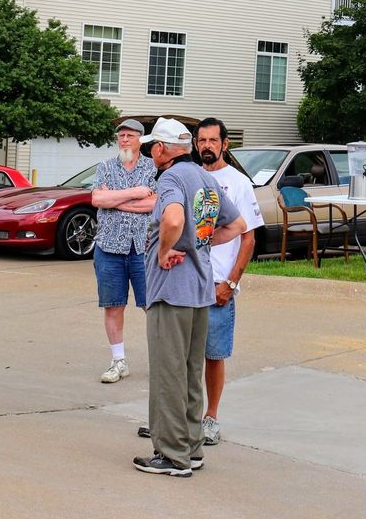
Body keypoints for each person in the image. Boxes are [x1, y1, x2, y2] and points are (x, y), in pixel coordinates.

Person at [133, 117, 245, 477]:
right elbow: (237, 225)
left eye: (153, 146)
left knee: (168, 374)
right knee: (190, 373)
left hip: (172, 292)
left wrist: (167, 249)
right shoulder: (205, 178)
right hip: (199, 293)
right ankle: (192, 448)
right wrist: (201, 243)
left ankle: (172, 455)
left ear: (162, 149)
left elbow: (173, 219)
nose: (151, 152)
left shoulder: (171, 179)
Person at [194, 117, 263, 447]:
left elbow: (248, 239)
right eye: (201, 140)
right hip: (186, 282)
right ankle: (179, 415)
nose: (207, 145)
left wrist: (231, 283)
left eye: (212, 140)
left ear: (224, 145)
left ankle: (211, 417)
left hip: (217, 284)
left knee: (213, 355)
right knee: (180, 354)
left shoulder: (237, 182)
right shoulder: (189, 177)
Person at [91, 118, 157, 383]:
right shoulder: (105, 167)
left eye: (130, 136)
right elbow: (97, 199)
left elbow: (154, 204)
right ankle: (118, 361)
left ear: (141, 139)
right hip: (109, 246)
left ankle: (162, 360)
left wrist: (116, 200)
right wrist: (136, 193)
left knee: (151, 305)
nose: (124, 140)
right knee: (113, 305)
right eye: (121, 136)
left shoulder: (153, 168)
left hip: (143, 247)